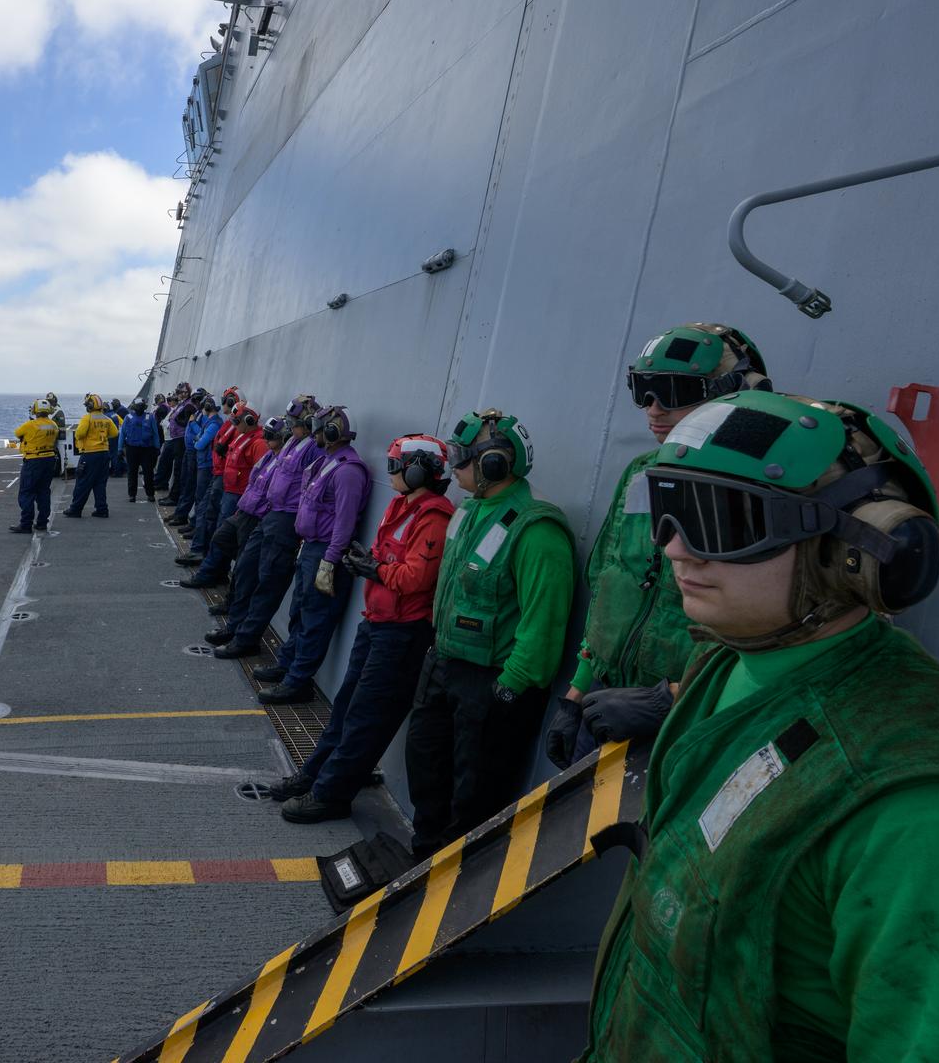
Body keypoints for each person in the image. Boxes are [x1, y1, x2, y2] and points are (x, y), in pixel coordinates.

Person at [581, 389, 939, 1060]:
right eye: (668, 511)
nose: (674, 551)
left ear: (852, 551)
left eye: (722, 519)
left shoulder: (934, 828)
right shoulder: (728, 665)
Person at [546, 323, 772, 770]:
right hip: (604, 704)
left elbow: (774, 637)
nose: (653, 408)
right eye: (644, 390)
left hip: (689, 721)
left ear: (731, 392)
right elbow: (610, 585)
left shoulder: (760, 492)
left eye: (672, 391)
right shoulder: (639, 473)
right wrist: (575, 695)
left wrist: (671, 698)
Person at [406, 409, 574, 855]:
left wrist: (507, 689)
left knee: (474, 793)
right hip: (443, 665)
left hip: (490, 683)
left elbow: (544, 626)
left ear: (493, 464)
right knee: (425, 763)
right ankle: (422, 858)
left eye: (461, 456)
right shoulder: (468, 511)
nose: (453, 464)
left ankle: (451, 885)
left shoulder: (537, 530)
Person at [274, 435, 457, 823]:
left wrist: (377, 570)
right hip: (376, 623)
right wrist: (368, 560)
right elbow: (387, 555)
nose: (390, 472)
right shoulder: (401, 506)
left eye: (396, 466)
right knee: (344, 708)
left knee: (365, 717)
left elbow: (416, 578)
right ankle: (313, 776)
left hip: (402, 634)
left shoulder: (435, 517)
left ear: (419, 470)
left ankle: (331, 795)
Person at [252, 404, 371, 705]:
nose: (312, 433)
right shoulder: (328, 463)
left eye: (318, 428)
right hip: (310, 548)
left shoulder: (348, 472)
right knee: (299, 612)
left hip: (325, 553)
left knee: (315, 620)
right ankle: (286, 666)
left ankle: (297, 683)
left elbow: (344, 523)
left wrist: (330, 560)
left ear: (332, 432)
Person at [215, 396, 324, 654]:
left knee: (269, 581)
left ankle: (246, 640)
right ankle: (235, 626)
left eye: (295, 422)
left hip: (286, 521)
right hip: (270, 515)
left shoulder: (311, 448)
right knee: (245, 569)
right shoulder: (292, 444)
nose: (290, 426)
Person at [181, 406, 265, 586]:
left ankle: (208, 574)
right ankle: (218, 572)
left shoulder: (258, 443)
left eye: (237, 422)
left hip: (238, 496)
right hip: (229, 490)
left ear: (249, 421)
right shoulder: (243, 436)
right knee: (219, 531)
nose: (234, 425)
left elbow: (261, 476)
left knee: (222, 534)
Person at [64, 394, 119, 519]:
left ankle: (75, 509)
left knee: (83, 482)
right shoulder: (106, 418)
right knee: (100, 483)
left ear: (89, 406)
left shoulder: (87, 418)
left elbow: (79, 434)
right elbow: (114, 433)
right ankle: (102, 509)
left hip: (90, 454)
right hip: (104, 453)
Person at [9, 400, 59, 534]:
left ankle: (26, 524)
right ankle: (42, 523)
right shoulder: (53, 425)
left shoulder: (30, 425)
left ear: (35, 410)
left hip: (33, 460)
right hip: (49, 459)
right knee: (43, 491)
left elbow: (17, 433)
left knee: (27, 492)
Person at [167, 391, 212, 527]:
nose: (195, 403)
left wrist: (191, 423)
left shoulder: (204, 417)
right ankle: (179, 511)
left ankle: (182, 515)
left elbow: (201, 432)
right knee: (184, 481)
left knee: (190, 484)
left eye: (198, 401)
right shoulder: (197, 413)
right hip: (188, 451)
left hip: (194, 452)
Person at [118, 397, 161, 503]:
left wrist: (157, 447)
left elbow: (155, 434)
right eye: (138, 407)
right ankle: (132, 495)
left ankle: (150, 494)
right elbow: (122, 434)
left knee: (148, 473)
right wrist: (119, 448)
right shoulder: (128, 418)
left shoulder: (150, 417)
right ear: (134, 407)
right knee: (132, 472)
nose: (140, 408)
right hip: (132, 449)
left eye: (141, 406)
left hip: (147, 449)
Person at [44, 391, 69, 478]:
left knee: (57, 455)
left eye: (50, 401)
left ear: (55, 401)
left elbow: (61, 425)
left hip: (56, 438)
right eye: (48, 401)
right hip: (48, 436)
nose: (49, 402)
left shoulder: (58, 411)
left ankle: (58, 471)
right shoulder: (48, 410)